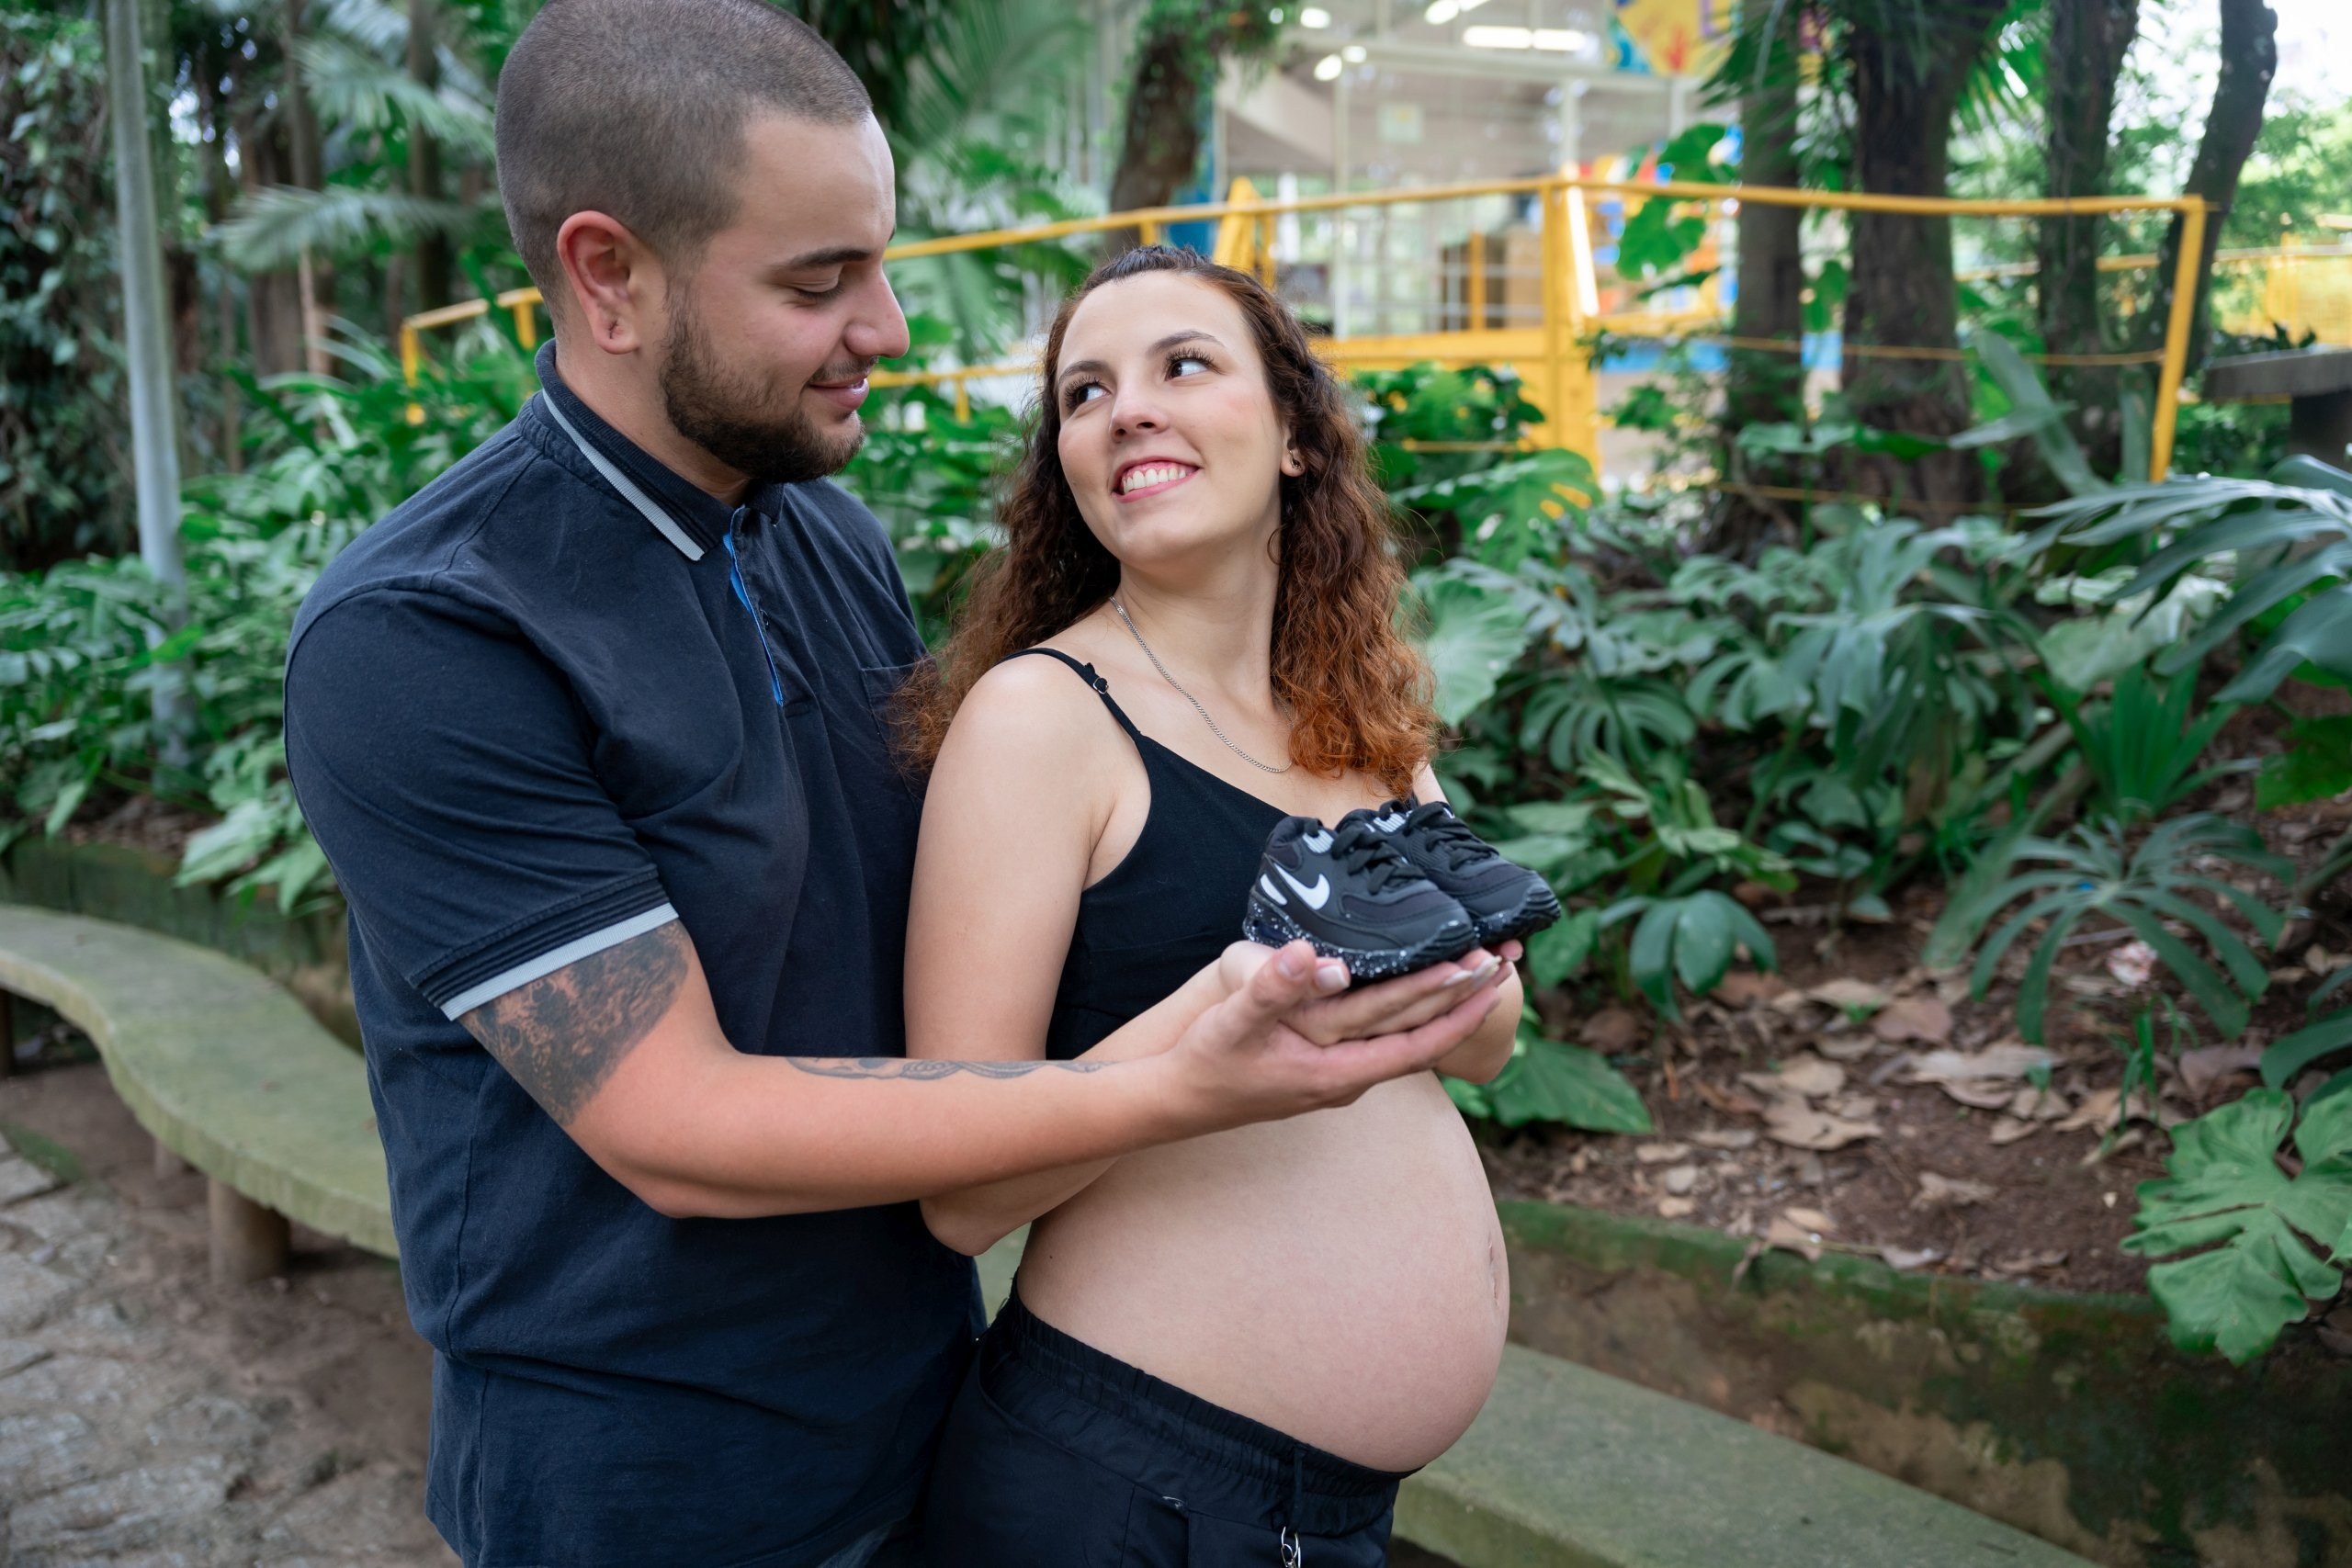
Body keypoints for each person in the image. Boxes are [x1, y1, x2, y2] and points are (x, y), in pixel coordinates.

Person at [279, 5, 1510, 1566]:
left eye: (878, 259)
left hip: (931, 1406)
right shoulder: (428, 631)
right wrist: (1186, 1082)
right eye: (818, 281)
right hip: (652, 1482)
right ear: (609, 276)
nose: (891, 328)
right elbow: (673, 1118)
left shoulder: (825, 539)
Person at [899, 246, 1527, 1567]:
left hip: (1330, 1518)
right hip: (1124, 1492)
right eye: (1084, 392)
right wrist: (1224, 1015)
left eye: (1183, 364)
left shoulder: (1361, 718)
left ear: (1297, 434)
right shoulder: (1041, 719)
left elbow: (1487, 1037)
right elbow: (956, 1194)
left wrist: (1428, 983)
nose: (1126, 407)